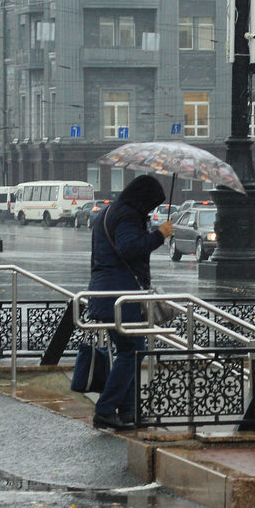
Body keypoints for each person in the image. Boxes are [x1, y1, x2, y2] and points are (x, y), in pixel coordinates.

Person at [87, 174, 174, 430]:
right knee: (132, 352)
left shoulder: (108, 211)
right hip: (120, 296)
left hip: (107, 293)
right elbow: (128, 249)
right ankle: (104, 410)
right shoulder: (127, 215)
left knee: (130, 351)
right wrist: (159, 235)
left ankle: (128, 412)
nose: (151, 209)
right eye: (151, 203)